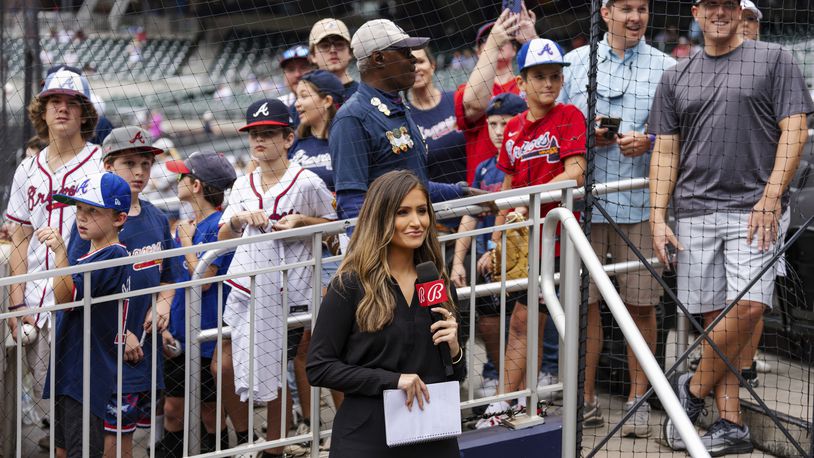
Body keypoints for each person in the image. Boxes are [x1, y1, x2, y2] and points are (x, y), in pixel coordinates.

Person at [649, 0, 813, 454]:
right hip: (694, 212)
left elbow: (795, 130)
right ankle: (730, 423)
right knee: (714, 321)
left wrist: (771, 196)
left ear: (740, 11)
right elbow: (664, 151)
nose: (719, 13)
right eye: (711, 5)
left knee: (750, 309)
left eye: (728, 4)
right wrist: (657, 216)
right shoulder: (676, 75)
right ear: (697, 12)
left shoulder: (774, 58)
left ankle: (690, 389)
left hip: (753, 211)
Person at [559, 0, 676, 437]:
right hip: (584, 211)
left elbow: (678, 132)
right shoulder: (574, 63)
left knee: (642, 307)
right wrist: (585, 138)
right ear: (605, 12)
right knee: (584, 307)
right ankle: (583, 400)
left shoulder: (667, 67)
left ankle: (638, 401)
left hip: (644, 207)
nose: (635, 17)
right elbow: (556, 128)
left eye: (642, 8)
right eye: (625, 8)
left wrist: (648, 141)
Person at [306, 170, 465, 457]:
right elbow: (318, 366)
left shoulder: (437, 283)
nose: (416, 222)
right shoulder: (350, 285)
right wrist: (391, 381)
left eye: (421, 211)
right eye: (402, 213)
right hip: (367, 439)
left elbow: (454, 376)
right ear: (380, 217)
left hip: (432, 434)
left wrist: (454, 351)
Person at [217, 98, 337, 457]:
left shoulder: (306, 181)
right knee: (265, 368)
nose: (259, 141)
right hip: (256, 290)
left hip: (300, 289)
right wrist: (237, 221)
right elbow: (223, 239)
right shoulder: (241, 186)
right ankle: (275, 447)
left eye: (268, 134)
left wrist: (304, 222)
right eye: (254, 134)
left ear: (288, 139)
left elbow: (336, 228)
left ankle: (314, 438)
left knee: (310, 362)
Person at [479, 37, 587, 427]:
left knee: (529, 322)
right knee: (526, 322)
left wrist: (532, 198)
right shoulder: (513, 130)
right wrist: (494, 238)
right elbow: (507, 187)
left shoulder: (570, 116)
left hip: (558, 239)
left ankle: (506, 402)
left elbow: (576, 171)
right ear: (521, 84)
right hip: (523, 239)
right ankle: (520, 402)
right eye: (539, 76)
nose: (548, 83)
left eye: (555, 76)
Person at [67, 126, 178, 456]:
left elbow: (168, 277)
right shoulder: (95, 220)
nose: (140, 172)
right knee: (108, 440)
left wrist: (163, 305)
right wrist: (120, 331)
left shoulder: (157, 218)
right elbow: (80, 289)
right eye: (129, 163)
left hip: (144, 351)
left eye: (146, 164)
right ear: (108, 167)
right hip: (107, 351)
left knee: (127, 436)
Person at [5, 67, 102, 425]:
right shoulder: (27, 169)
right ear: (42, 112)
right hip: (35, 304)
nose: (62, 109)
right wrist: (17, 302)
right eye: (54, 101)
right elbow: (19, 236)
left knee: (88, 407)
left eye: (71, 103)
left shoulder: (100, 163)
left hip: (87, 300)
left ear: (84, 113)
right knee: (53, 410)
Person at [329, 19, 464, 221]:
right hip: (385, 247)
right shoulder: (353, 117)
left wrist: (464, 193)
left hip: (415, 240)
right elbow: (352, 205)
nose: (413, 60)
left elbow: (416, 185)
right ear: (379, 58)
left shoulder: (397, 106)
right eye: (405, 52)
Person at [39, 172, 132, 458]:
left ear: (118, 219)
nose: (82, 217)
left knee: (82, 450)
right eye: (79, 209)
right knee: (62, 447)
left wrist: (59, 252)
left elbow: (66, 298)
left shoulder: (113, 255)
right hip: (73, 368)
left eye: (93, 211)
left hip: (87, 373)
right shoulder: (92, 255)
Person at [156, 151, 237, 457]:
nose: (177, 181)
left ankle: (217, 451)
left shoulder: (219, 225)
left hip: (208, 336)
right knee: (173, 407)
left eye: (182, 177)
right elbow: (176, 279)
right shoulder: (187, 224)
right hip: (180, 332)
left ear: (197, 185)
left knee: (210, 410)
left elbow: (202, 279)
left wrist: (188, 243)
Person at [450, 92, 526, 399]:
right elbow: (471, 214)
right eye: (492, 124)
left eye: (505, 123)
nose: (497, 131)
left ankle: (525, 385)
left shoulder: (523, 163)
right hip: (487, 262)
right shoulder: (483, 169)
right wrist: (457, 260)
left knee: (524, 323)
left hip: (518, 261)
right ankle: (500, 376)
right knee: (489, 321)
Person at [455, 7, 538, 184]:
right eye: (488, 38)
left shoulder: (529, 83)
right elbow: (474, 105)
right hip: (484, 188)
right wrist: (492, 45)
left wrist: (531, 40)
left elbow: (554, 89)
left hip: (528, 182)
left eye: (505, 36)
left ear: (515, 49)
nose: (497, 40)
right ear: (479, 51)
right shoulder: (465, 89)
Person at [406, 47, 467, 185]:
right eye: (409, 64)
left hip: (476, 193)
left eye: (420, 61)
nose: (415, 68)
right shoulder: (404, 118)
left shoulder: (456, 99)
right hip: (437, 201)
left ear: (432, 66)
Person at [291, 69, 345, 192]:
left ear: (327, 101)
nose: (296, 104)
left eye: (304, 96)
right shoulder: (293, 142)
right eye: (297, 97)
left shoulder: (346, 142)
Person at [308, 18, 358, 101]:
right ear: (313, 55)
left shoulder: (366, 95)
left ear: (350, 52)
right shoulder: (303, 101)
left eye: (339, 44)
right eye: (325, 45)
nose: (333, 50)